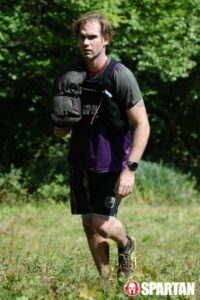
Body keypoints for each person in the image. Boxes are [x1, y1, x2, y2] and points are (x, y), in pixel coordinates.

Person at [53, 11, 150, 279]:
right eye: (82, 37)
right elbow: (60, 128)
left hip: (113, 164)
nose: (86, 42)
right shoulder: (71, 75)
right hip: (81, 161)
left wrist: (130, 168)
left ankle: (126, 243)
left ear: (105, 39)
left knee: (102, 225)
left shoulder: (120, 76)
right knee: (88, 225)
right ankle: (105, 281)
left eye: (92, 37)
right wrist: (59, 126)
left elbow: (142, 124)